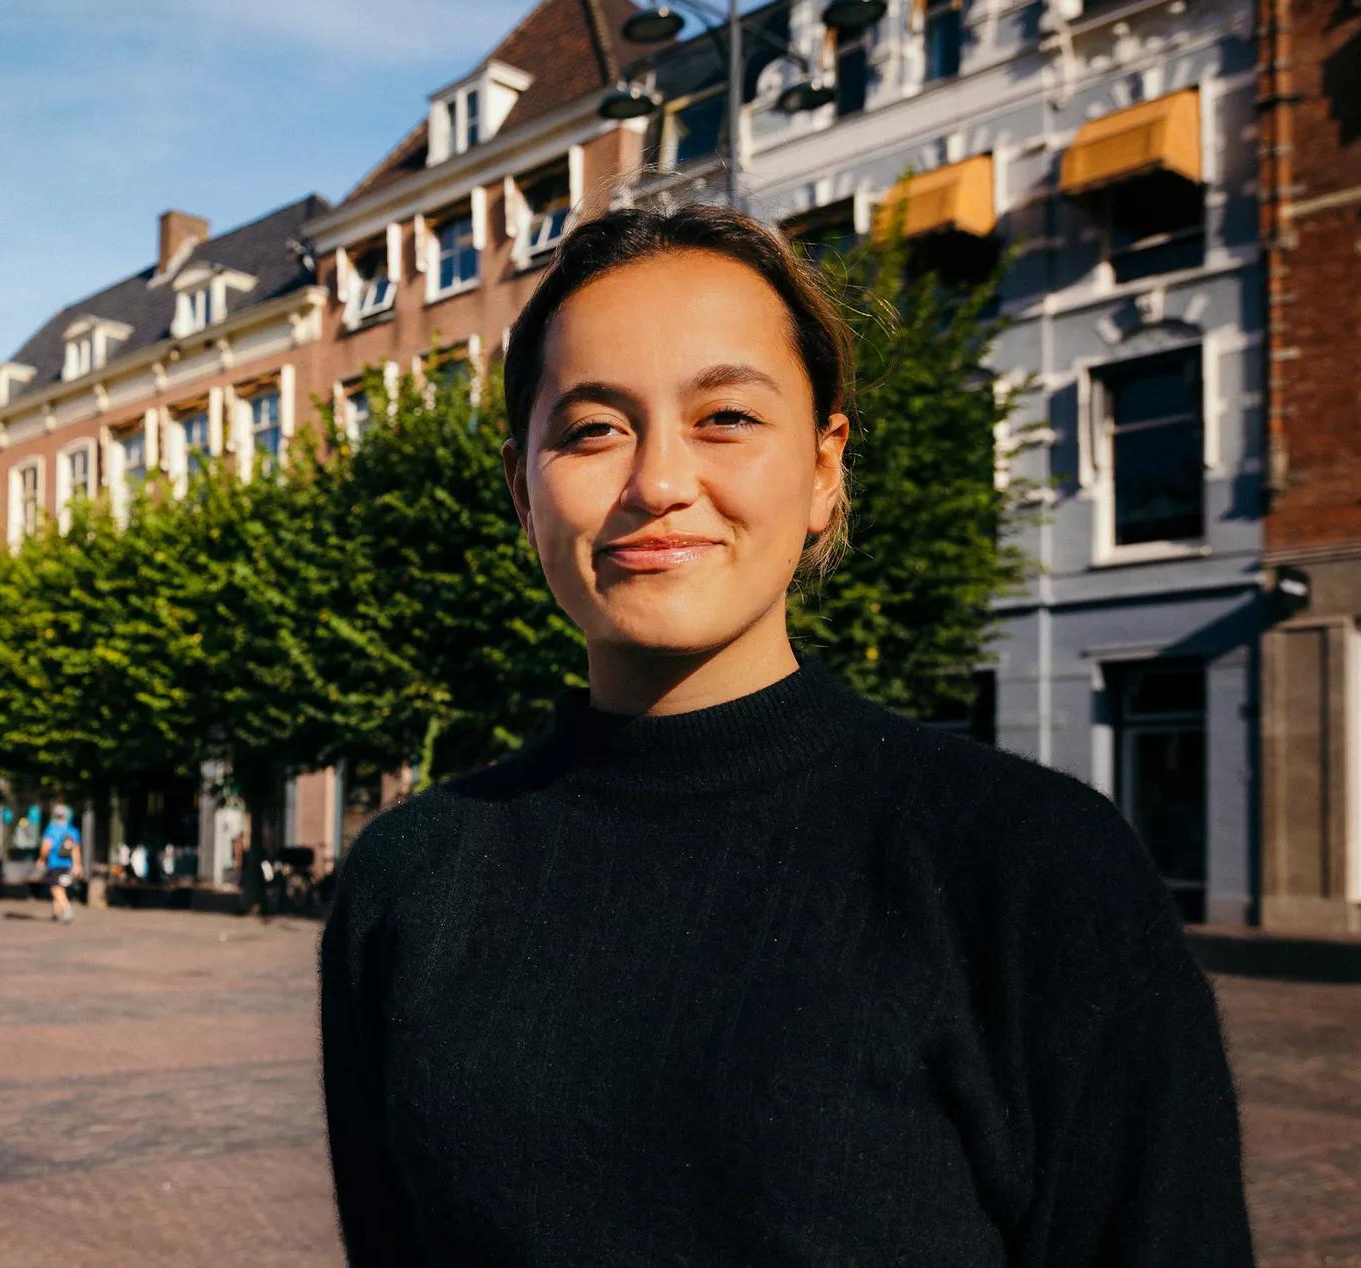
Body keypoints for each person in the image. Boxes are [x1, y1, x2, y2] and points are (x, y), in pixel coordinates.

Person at [319, 205, 1250, 1265]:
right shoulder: (409, 879)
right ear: (520, 489)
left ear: (821, 469)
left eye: (725, 417)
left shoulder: (1030, 866)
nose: (659, 482)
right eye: (590, 428)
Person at [38, 805, 80, 924]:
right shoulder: (73, 830)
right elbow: (76, 849)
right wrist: (77, 865)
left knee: (55, 888)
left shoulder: (52, 829)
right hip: (67, 864)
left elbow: (46, 846)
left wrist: (41, 859)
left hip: (55, 863)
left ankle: (67, 908)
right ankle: (56, 914)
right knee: (61, 887)